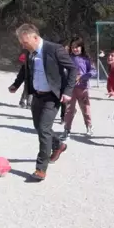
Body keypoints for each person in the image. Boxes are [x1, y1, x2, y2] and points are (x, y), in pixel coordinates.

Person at [9, 23, 77, 181]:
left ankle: (41, 169)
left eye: (24, 42)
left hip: (52, 96)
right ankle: (59, 144)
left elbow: (72, 69)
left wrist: (67, 92)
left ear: (35, 37)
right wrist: (16, 85)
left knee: (44, 130)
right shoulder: (29, 52)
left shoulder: (54, 49)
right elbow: (24, 70)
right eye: (21, 43)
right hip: (37, 95)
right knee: (39, 128)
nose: (22, 45)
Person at [61, 36, 97, 140]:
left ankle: (89, 126)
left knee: (85, 109)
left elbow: (94, 71)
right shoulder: (68, 58)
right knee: (69, 110)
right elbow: (64, 70)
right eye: (73, 47)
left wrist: (82, 76)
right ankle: (67, 130)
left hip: (83, 88)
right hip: (70, 89)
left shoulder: (87, 59)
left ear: (82, 47)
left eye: (77, 47)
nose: (75, 49)